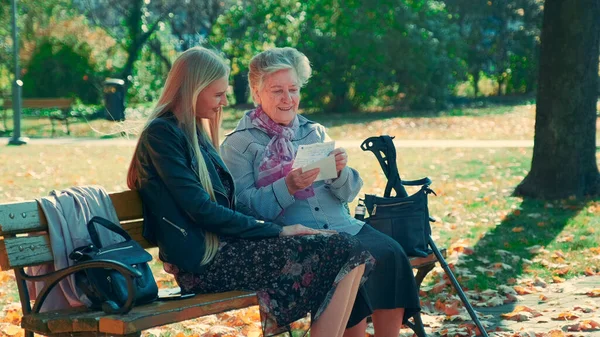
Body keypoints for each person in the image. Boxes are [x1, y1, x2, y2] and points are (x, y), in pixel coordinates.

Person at [126, 46, 374, 337]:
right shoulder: (163, 134)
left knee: (349, 248)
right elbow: (201, 209)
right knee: (341, 250)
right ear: (194, 89)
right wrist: (277, 232)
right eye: (218, 94)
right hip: (202, 262)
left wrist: (282, 228)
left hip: (227, 249)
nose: (224, 102)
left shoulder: (194, 132)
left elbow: (229, 205)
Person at [221, 47, 421, 337]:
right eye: (277, 90)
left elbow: (349, 193)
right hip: (297, 235)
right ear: (256, 91)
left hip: (342, 226)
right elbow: (243, 209)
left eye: (293, 89)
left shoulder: (314, 131)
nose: (288, 99)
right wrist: (287, 186)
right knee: (350, 260)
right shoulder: (239, 144)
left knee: (390, 253)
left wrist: (340, 173)